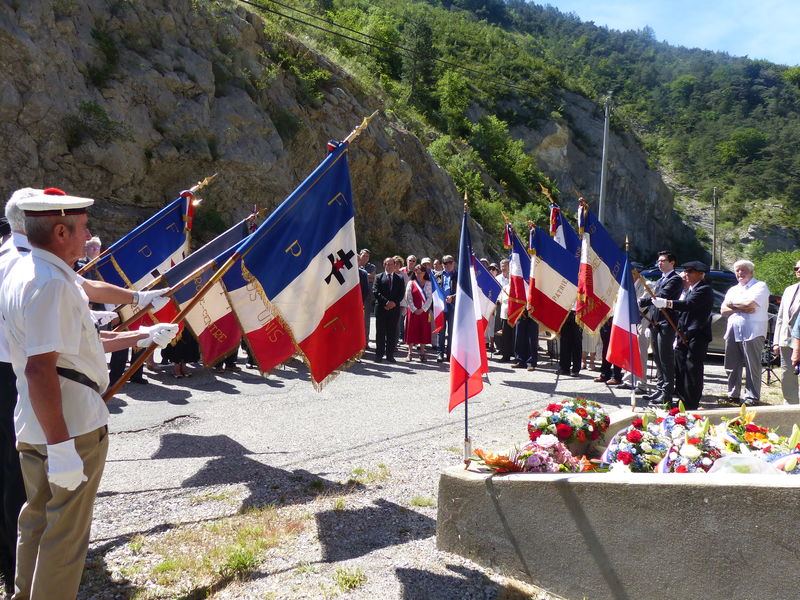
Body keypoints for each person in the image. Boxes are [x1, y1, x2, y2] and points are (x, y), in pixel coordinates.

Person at [0, 188, 178, 600]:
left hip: (34, 416)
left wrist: (142, 332)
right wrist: (62, 447)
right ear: (60, 231)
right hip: (68, 422)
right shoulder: (49, 283)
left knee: (36, 521)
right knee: (65, 536)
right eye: (83, 228)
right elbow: (42, 368)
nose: (88, 236)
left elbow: (75, 345)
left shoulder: (33, 271)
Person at [654, 261, 714, 410]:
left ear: (700, 274)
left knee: (692, 369)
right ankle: (681, 399)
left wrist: (667, 303)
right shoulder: (691, 289)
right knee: (680, 368)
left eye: (690, 272)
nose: (686, 274)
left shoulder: (704, 289)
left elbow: (689, 305)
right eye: (686, 271)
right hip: (684, 334)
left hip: (697, 335)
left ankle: (691, 402)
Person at [720, 259, 771, 406]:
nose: (740, 273)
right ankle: (733, 394)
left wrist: (732, 305)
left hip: (753, 331)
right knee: (731, 364)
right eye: (737, 270)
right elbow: (723, 310)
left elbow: (750, 305)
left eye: (743, 270)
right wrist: (741, 307)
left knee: (752, 365)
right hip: (733, 330)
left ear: (751, 272)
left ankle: (752, 397)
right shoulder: (733, 289)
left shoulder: (760, 286)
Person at [639, 251, 683, 406]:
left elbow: (661, 296)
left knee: (666, 359)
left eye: (663, 261)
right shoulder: (661, 279)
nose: (660, 263)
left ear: (672, 263)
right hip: (656, 322)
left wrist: (642, 301)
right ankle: (659, 388)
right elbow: (655, 300)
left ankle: (667, 393)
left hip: (667, 323)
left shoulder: (675, 279)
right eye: (658, 261)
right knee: (657, 358)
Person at [772, 259, 800, 404]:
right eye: (796, 268)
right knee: (787, 374)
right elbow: (781, 318)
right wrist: (776, 341)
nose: (798, 270)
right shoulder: (789, 290)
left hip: (799, 340)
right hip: (785, 339)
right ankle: (791, 404)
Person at [372, 257, 404, 363]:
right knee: (380, 333)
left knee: (392, 333)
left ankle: (390, 355)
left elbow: (401, 293)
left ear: (394, 265)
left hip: (394, 310)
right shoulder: (378, 277)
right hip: (381, 308)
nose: (389, 266)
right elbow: (376, 291)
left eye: (391, 264)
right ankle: (379, 354)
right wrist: (386, 302)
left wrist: (393, 303)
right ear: (384, 265)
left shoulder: (399, 278)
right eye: (387, 264)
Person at [404, 264, 432, 361]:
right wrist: (415, 309)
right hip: (413, 311)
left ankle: (422, 352)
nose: (419, 274)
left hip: (424, 312)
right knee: (411, 331)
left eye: (421, 272)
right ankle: (410, 353)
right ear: (414, 273)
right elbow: (408, 297)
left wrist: (423, 309)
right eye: (417, 272)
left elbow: (429, 298)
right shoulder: (411, 283)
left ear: (425, 273)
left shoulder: (428, 283)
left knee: (423, 331)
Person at [436, 255, 457, 362]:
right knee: (441, 332)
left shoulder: (459, 275)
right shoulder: (438, 275)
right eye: (445, 263)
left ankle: (450, 354)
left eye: (449, 262)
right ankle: (440, 353)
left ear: (454, 263)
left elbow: (464, 292)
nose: (447, 265)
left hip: (453, 307)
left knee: (452, 331)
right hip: (441, 307)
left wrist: (453, 298)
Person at [494, 259, 513, 362]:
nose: (503, 267)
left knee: (512, 332)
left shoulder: (513, 278)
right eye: (501, 265)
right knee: (501, 329)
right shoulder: (497, 278)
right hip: (501, 306)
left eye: (505, 265)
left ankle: (513, 352)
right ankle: (501, 349)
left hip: (514, 308)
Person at [358, 249, 375, 349]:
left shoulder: (371, 266)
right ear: (360, 256)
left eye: (367, 256)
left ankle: (365, 342)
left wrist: (362, 274)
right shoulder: (354, 264)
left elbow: (372, 277)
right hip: (355, 296)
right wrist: (366, 275)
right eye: (363, 256)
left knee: (366, 321)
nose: (365, 258)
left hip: (367, 296)